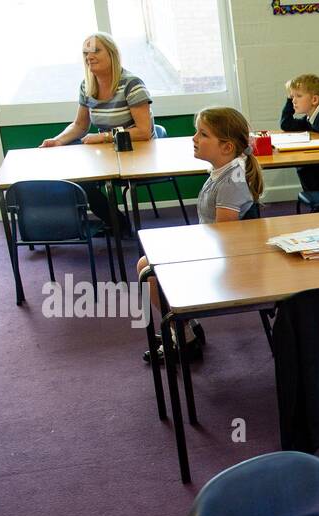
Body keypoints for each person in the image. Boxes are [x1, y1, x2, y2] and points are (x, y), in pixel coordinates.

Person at [137, 107, 262, 363]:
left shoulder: (232, 182)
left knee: (146, 269)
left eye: (202, 134)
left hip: (228, 263)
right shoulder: (225, 171)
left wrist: (187, 247)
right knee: (148, 260)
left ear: (226, 147)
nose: (194, 138)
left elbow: (224, 237)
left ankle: (184, 336)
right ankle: (185, 326)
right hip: (216, 251)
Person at [39, 33, 154, 233]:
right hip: (108, 154)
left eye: (96, 51)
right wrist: (57, 141)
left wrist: (104, 136)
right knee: (77, 178)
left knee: (88, 181)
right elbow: (79, 125)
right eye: (85, 52)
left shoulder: (131, 83)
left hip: (137, 153)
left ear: (112, 54)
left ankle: (119, 226)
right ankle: (117, 223)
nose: (89, 56)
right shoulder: (87, 85)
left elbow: (144, 131)